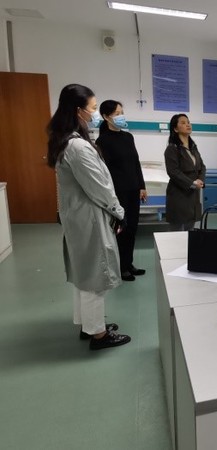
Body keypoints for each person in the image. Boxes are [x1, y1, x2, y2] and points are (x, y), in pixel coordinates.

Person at [46, 84, 131, 350]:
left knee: (84, 273)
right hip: (89, 217)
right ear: (78, 111)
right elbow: (100, 188)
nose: (95, 113)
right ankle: (99, 335)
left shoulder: (65, 141)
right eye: (93, 108)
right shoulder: (79, 148)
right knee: (95, 276)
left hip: (77, 216)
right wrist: (119, 212)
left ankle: (87, 324)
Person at [96, 100, 147, 281]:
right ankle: (120, 266)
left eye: (121, 112)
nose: (121, 116)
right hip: (118, 192)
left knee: (132, 228)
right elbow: (106, 171)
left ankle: (129, 263)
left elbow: (136, 163)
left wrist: (142, 186)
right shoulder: (102, 141)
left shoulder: (128, 137)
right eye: (117, 113)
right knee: (121, 229)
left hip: (133, 190)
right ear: (106, 117)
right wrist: (111, 195)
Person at [164, 114, 206, 231]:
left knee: (190, 232)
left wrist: (200, 179)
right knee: (176, 233)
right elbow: (173, 172)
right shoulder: (172, 149)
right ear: (175, 129)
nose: (187, 124)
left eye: (188, 122)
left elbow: (202, 166)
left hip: (193, 196)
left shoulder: (193, 148)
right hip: (179, 195)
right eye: (183, 123)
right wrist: (192, 183)